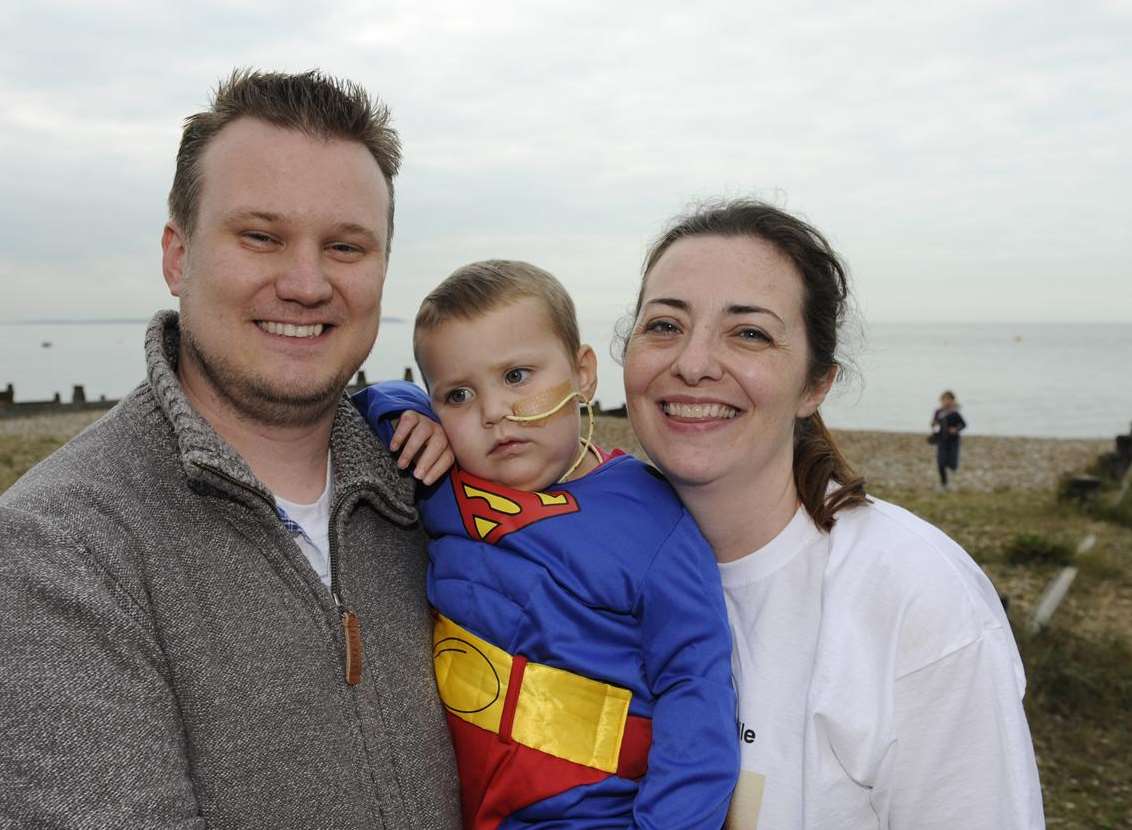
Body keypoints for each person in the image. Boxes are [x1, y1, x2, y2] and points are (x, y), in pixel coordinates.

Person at [0, 70, 461, 828]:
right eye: (261, 237)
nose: (307, 284)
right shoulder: (58, 548)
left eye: (346, 246)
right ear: (178, 256)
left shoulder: (436, 487)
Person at [621, 200, 1044, 828]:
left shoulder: (912, 595)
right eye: (664, 325)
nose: (693, 362)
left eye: (750, 333)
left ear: (816, 384)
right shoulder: (578, 548)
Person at [353, 260, 738, 829]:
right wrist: (403, 410)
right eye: (458, 395)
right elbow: (361, 402)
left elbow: (697, 698)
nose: (493, 412)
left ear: (584, 374)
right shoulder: (441, 481)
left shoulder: (652, 521)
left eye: (516, 376)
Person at [931, 390, 967, 490]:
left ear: (952, 401)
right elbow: (934, 424)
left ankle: (952, 480)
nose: (946, 402)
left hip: (953, 441)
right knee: (940, 463)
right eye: (944, 399)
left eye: (948, 399)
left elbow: (963, 425)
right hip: (941, 440)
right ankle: (944, 483)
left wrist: (956, 429)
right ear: (941, 400)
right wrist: (934, 427)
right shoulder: (938, 412)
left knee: (952, 463)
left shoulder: (955, 413)